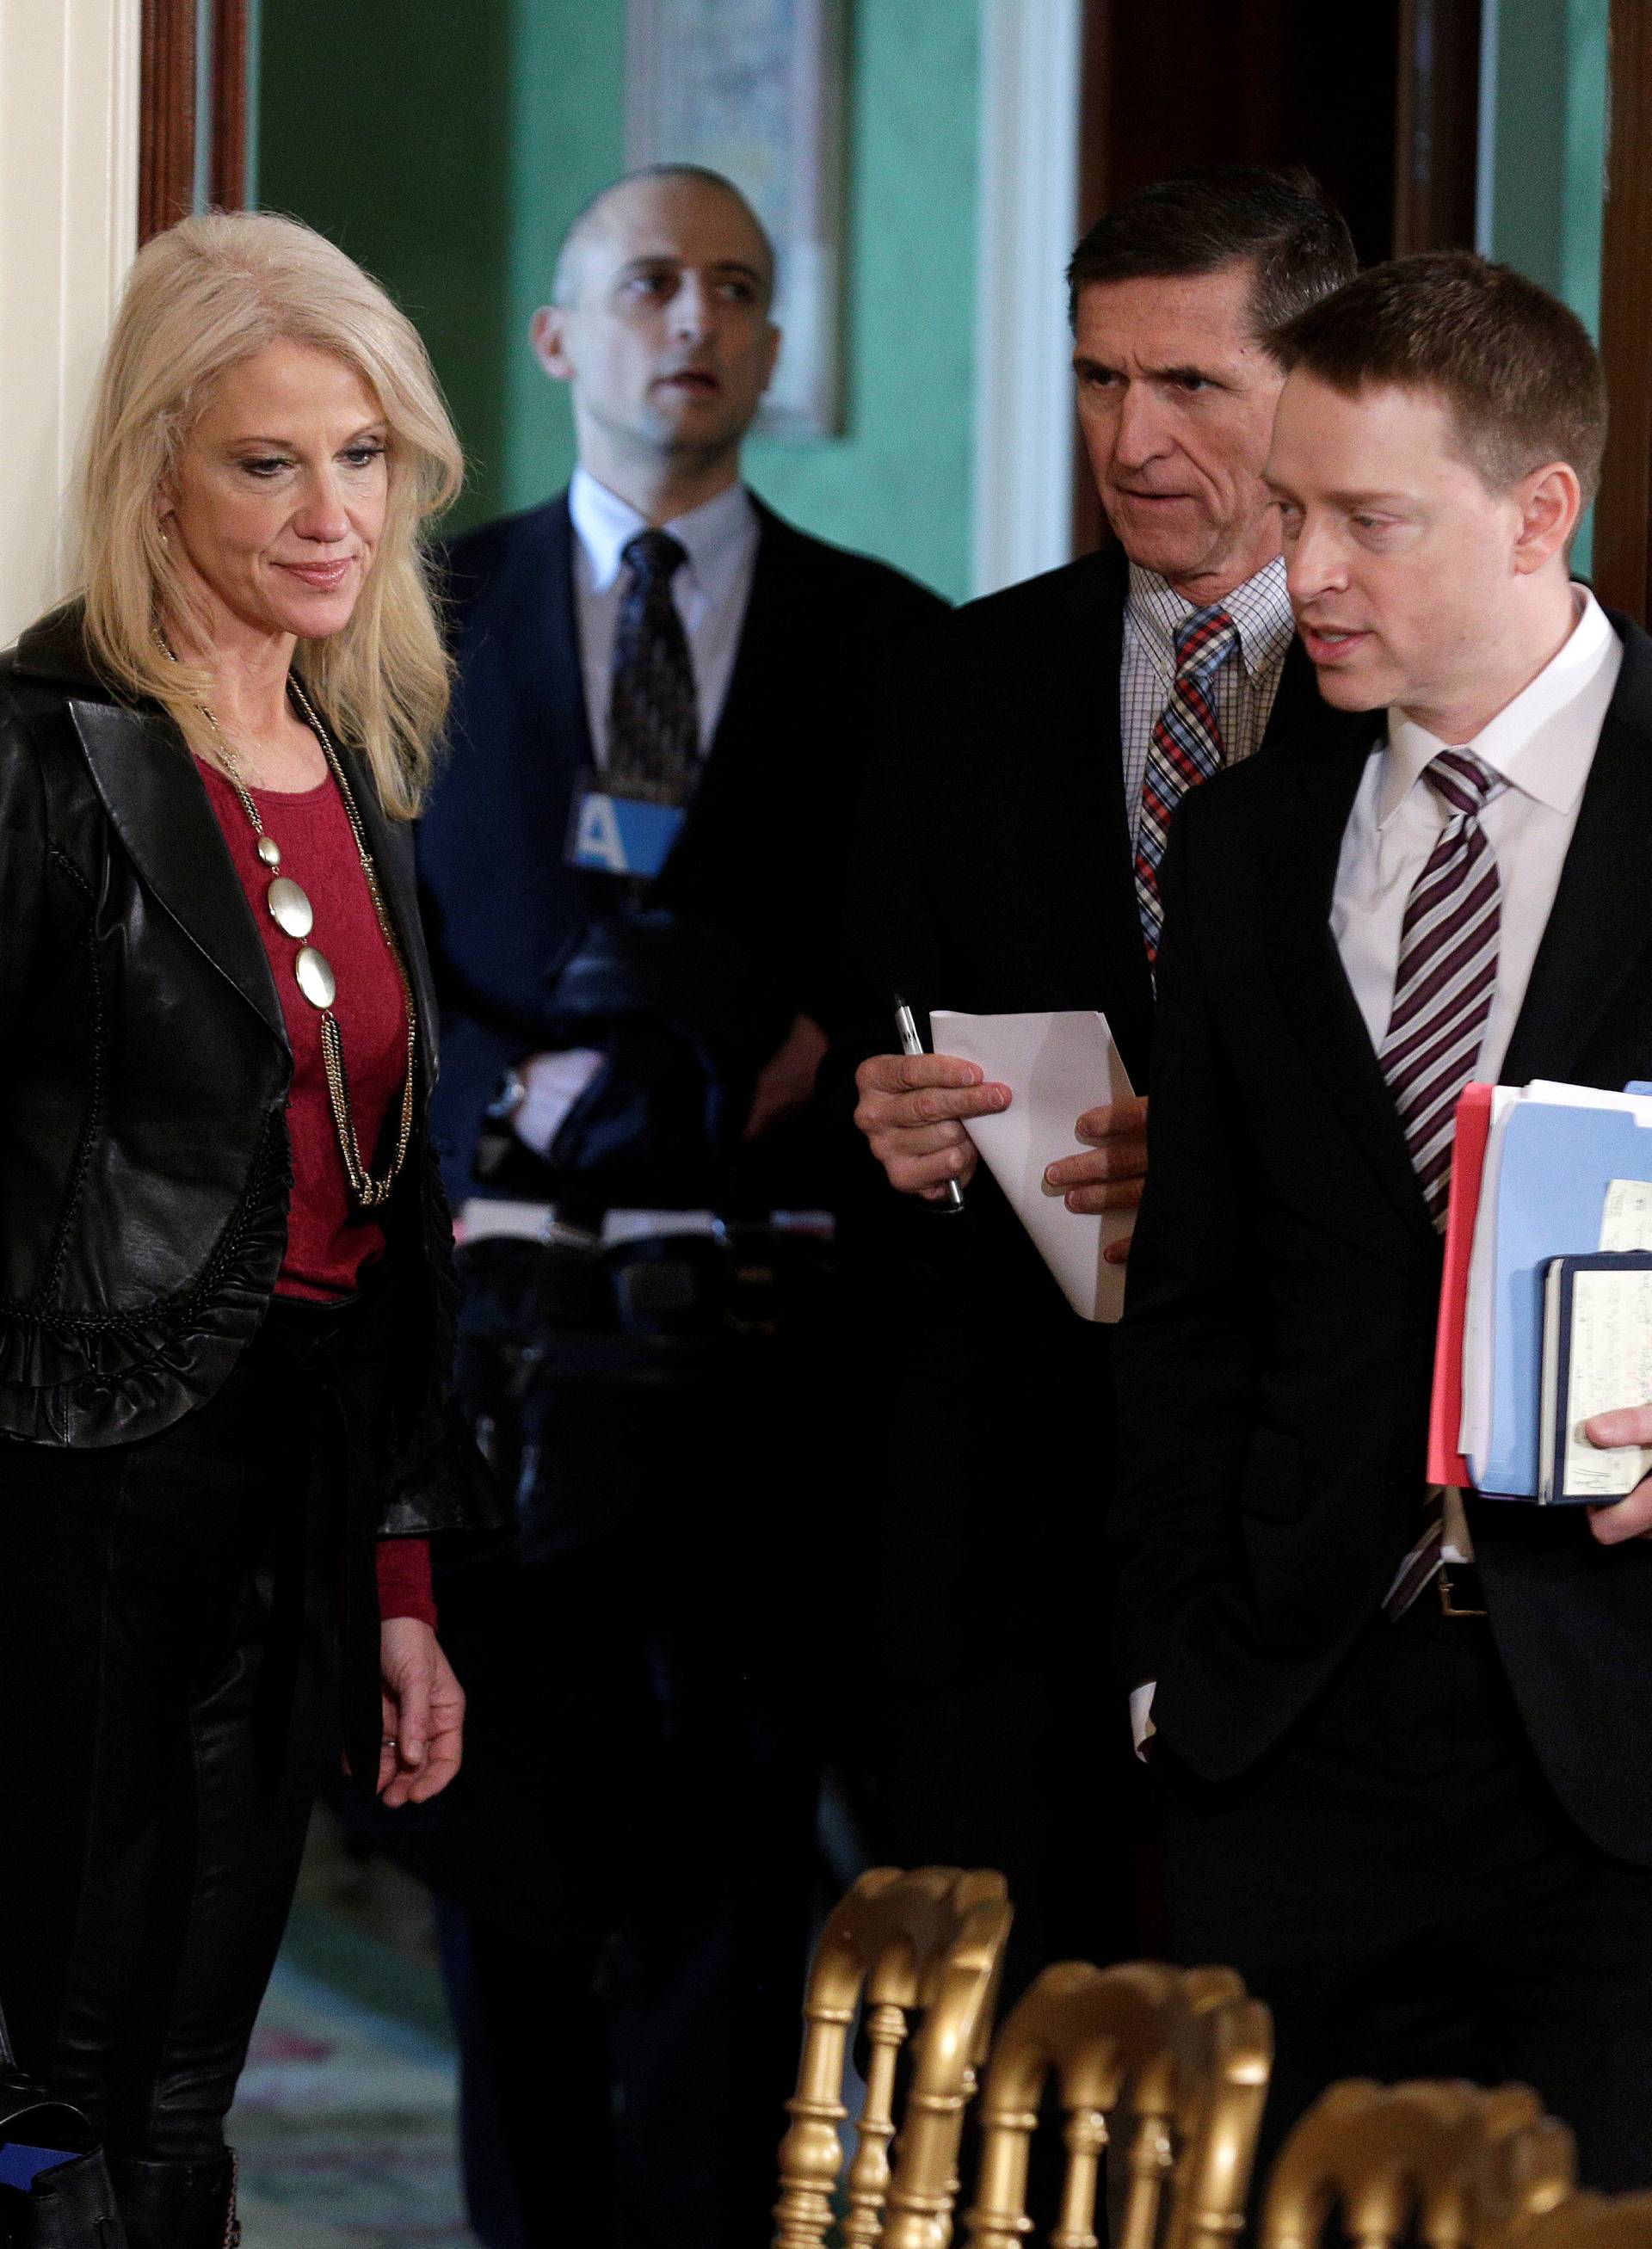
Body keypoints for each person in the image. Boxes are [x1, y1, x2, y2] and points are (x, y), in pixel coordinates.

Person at [416, 163, 944, 2249]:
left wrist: (822, 1035)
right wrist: (501, 1112)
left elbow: (929, 949)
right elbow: (351, 937)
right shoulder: (410, 612)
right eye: (649, 283)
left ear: (773, 347)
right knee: (508, 1871)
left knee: (740, 1867)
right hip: (491, 1349)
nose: (693, 322)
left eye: (737, 288)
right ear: (560, 338)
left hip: (772, 1351)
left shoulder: (896, 641)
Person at [1111, 251, 1652, 2185]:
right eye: (1293, 513)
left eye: (1369, 520)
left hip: (1618, 1745)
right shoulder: (1248, 839)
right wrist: (1181, 1660)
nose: (1306, 571)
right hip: (1294, 1730)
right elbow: (1195, 1300)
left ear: (1537, 511)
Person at [0, 209, 498, 2248]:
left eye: (364, 456)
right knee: (53, 2075)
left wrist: (399, 1569)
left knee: (194, 2074)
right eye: (266, 459)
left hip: (289, 1491)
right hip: (75, 1499)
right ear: (157, 476)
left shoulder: (351, 771)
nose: (330, 509)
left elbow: (385, 1217)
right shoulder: (43, 753)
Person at [846, 166, 1355, 1981]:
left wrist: (1211, 1165)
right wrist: (891, 1127)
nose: (1130, 438)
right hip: (1007, 1502)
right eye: (1096, 381)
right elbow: (880, 1031)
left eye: (1191, 386)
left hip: (1307, 1505)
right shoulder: (957, 681)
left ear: (1317, 384)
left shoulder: (1413, 684)